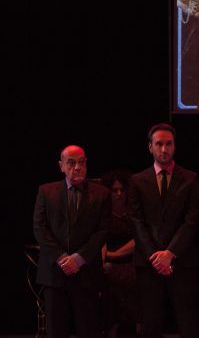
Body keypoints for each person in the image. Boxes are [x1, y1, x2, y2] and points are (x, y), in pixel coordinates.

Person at [129, 123, 199, 338]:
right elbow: (136, 222)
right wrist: (155, 256)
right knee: (150, 323)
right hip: (148, 262)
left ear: (174, 146)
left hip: (182, 260)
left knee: (188, 322)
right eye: (159, 144)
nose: (164, 149)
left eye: (168, 144)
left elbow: (192, 220)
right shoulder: (137, 180)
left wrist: (170, 253)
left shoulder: (190, 178)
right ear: (150, 147)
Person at [33, 145, 111, 338]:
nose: (77, 167)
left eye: (81, 162)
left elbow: (103, 231)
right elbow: (39, 228)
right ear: (61, 166)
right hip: (54, 274)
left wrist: (79, 258)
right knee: (56, 331)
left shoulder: (101, 194)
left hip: (86, 274)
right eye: (71, 163)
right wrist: (61, 257)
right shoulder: (46, 191)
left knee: (88, 330)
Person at [100, 169, 139, 337]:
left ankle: (134, 328)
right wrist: (103, 260)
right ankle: (111, 329)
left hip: (132, 259)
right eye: (114, 190)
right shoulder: (103, 212)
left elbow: (139, 240)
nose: (119, 194)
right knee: (109, 281)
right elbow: (100, 238)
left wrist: (113, 255)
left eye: (122, 190)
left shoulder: (134, 211)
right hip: (108, 262)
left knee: (132, 279)